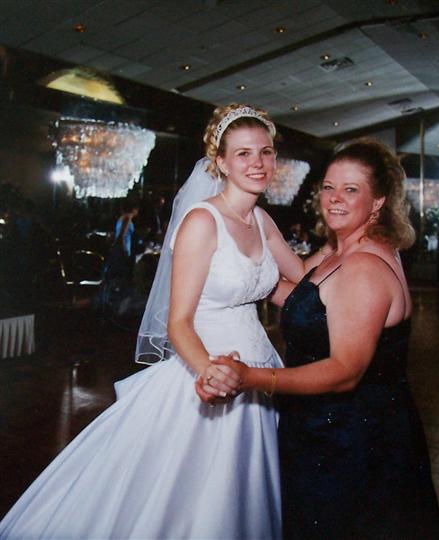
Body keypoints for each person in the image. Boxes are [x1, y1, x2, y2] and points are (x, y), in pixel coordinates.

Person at [0, 103, 321, 539]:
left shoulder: (262, 220)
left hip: (261, 371)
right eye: (243, 153)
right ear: (221, 162)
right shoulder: (202, 221)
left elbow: (303, 279)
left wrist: (350, 245)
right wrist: (211, 373)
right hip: (208, 370)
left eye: (265, 152)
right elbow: (179, 322)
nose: (258, 163)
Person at [200, 139, 439, 539]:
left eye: (350, 190)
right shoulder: (338, 251)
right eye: (329, 187)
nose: (334, 199)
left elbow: (345, 371)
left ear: (378, 201)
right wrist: (234, 270)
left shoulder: (364, 268)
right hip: (327, 430)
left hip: (353, 442)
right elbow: (303, 300)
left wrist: (250, 377)